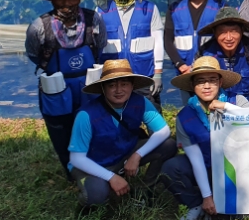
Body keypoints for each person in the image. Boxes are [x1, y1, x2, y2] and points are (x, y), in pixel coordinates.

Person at [25, 0, 107, 173]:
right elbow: (34, 54)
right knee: (60, 131)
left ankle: (96, 167)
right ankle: (71, 172)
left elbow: (101, 46)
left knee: (93, 126)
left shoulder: (93, 20)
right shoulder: (39, 26)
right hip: (56, 88)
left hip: (88, 85)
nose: (67, 3)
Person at [67, 59, 176, 209]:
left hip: (124, 154)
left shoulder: (141, 102)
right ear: (103, 88)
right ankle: (97, 190)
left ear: (132, 86)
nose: (119, 90)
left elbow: (163, 131)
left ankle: (146, 190)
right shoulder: (86, 114)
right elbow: (77, 158)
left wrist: (137, 155)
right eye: (112, 85)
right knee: (96, 195)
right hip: (93, 163)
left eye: (124, 84)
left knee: (168, 145)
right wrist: (111, 177)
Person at [162, 55, 242, 220]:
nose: (206, 86)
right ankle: (196, 203)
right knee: (171, 168)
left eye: (212, 80)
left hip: (238, 168)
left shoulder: (237, 102)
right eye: (200, 81)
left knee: (232, 216)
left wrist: (226, 107)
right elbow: (195, 158)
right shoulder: (185, 116)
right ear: (192, 86)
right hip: (207, 166)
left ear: (220, 83)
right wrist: (207, 196)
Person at [95, 0, 164, 106]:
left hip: (144, 77)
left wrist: (158, 73)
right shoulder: (101, 11)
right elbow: (96, 45)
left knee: (152, 118)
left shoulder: (150, 9)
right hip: (113, 79)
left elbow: (158, 41)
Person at [197, 7, 249, 107]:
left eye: (234, 31)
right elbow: (199, 86)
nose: (229, 38)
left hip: (248, 106)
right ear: (215, 33)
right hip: (215, 107)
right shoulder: (204, 53)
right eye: (223, 32)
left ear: (242, 31)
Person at [164, 0, 222, 78]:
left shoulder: (219, 8)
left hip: (211, 69)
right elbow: (167, 40)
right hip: (183, 71)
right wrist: (180, 64)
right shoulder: (174, 10)